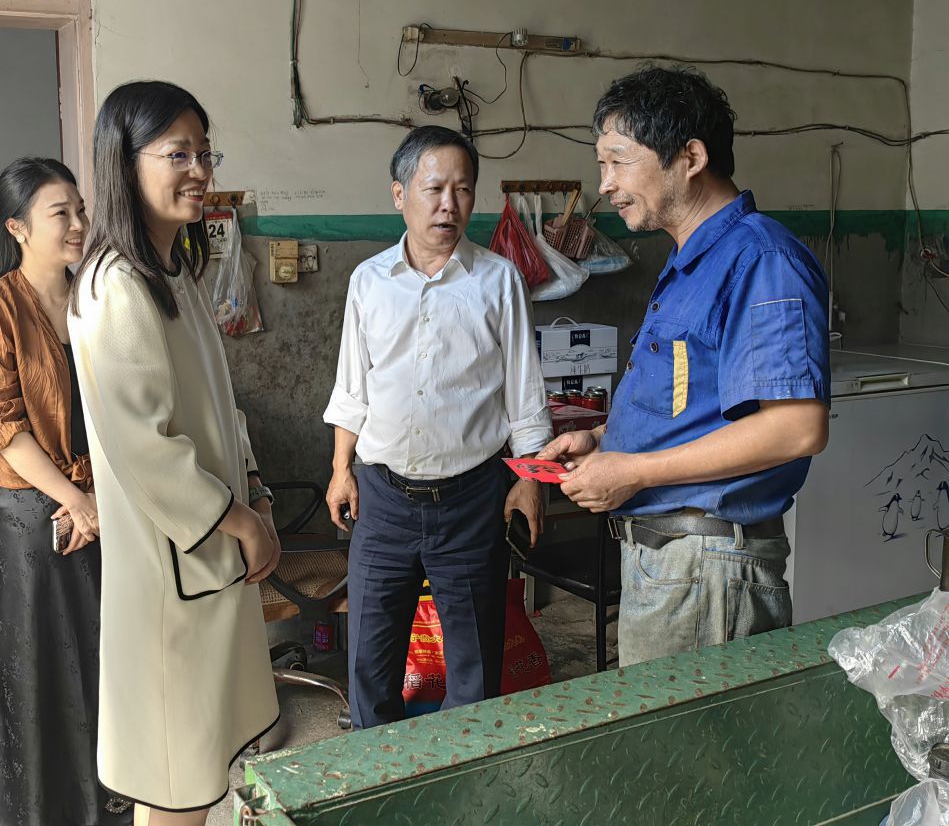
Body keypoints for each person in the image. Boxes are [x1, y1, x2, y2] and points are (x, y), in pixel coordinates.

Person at [539, 65, 830, 667]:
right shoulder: (692, 261)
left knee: (690, 733)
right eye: (602, 165)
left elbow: (796, 427)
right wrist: (603, 439)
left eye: (619, 162)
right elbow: (691, 402)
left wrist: (635, 470)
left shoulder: (760, 259)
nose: (605, 185)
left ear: (690, 157)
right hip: (674, 564)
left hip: (706, 568)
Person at [67, 81, 281, 825]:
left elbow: (221, 407)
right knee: (174, 778)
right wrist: (237, 518)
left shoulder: (173, 273)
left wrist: (255, 490)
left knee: (198, 767)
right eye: (178, 154)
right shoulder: (114, 286)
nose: (200, 170)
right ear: (124, 164)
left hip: (207, 556)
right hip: (172, 570)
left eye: (205, 153)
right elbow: (143, 445)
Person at [322, 125, 551, 730]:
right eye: (434, 189)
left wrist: (530, 481)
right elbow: (352, 389)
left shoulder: (498, 281)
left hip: (472, 501)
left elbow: (525, 395)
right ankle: (377, 774)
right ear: (399, 194)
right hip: (382, 500)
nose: (450, 204)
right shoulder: (369, 281)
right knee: (369, 664)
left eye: (463, 189)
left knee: (475, 668)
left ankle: (461, 774)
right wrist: (341, 469)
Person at [0, 157, 130, 826]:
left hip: (100, 502)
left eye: (81, 210)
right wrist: (75, 500)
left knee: (102, 659)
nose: (80, 223)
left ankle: (106, 804)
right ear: (18, 228)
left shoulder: (94, 298)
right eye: (62, 213)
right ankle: (35, 811)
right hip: (30, 516)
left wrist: (98, 498)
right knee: (35, 667)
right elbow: (1, 427)